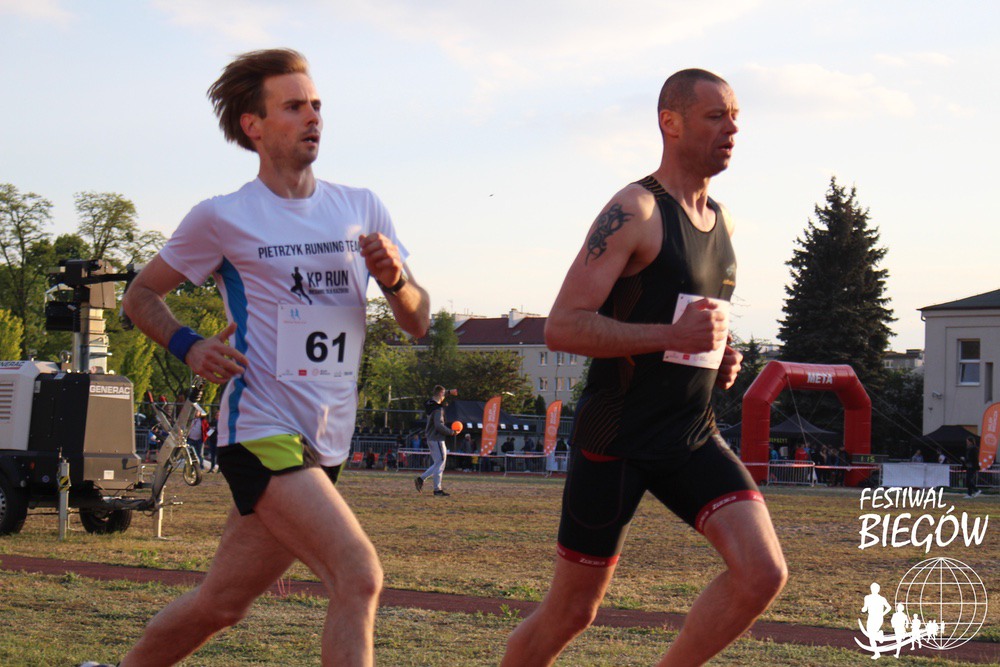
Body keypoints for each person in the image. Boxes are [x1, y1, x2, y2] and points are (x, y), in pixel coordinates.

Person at [109, 48, 430, 667]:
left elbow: (417, 321)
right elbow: (140, 295)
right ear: (253, 125)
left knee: (223, 602)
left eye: (316, 105)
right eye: (294, 106)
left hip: (327, 437)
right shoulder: (223, 217)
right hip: (261, 428)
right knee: (358, 574)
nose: (313, 117)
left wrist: (394, 280)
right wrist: (189, 344)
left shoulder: (361, 207)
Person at [502, 69, 786, 667]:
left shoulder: (724, 221)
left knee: (762, 573)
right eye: (716, 116)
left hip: (690, 434)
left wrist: (718, 355)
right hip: (618, 438)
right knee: (571, 612)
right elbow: (562, 326)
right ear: (671, 123)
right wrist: (671, 337)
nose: (732, 129)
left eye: (736, 117)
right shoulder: (634, 209)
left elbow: (688, 324)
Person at [415, 385, 458, 496]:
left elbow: (440, 393)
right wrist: (452, 432)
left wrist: (449, 392)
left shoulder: (429, 403)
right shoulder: (438, 409)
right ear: (440, 394)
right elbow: (439, 426)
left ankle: (421, 479)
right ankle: (437, 489)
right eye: (444, 394)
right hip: (437, 438)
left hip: (431, 437)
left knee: (438, 462)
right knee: (440, 463)